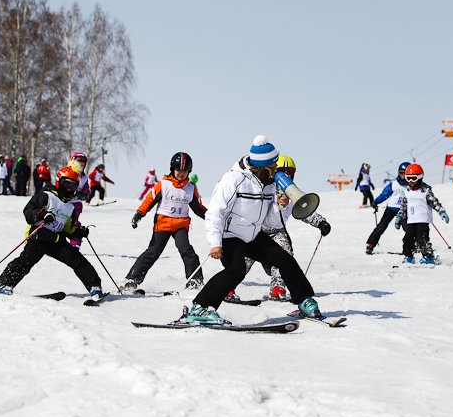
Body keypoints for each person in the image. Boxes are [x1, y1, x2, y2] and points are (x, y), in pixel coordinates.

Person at [180, 136, 323, 325]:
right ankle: (200, 307)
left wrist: (280, 205)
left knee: (284, 259)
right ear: (263, 167)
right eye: (274, 166)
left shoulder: (269, 184)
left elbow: (271, 220)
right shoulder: (234, 179)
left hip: (253, 234)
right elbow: (215, 211)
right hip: (230, 235)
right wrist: (215, 243)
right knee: (236, 270)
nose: (276, 170)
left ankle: (304, 300)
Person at [0, 166, 102, 299]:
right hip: (39, 236)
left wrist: (78, 232)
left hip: (56, 240)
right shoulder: (46, 196)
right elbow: (28, 211)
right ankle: (3, 285)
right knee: (25, 261)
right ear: (59, 182)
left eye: (73, 186)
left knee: (77, 259)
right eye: (67, 184)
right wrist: (42, 214)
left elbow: (68, 228)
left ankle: (94, 287)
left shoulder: (70, 207)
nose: (69, 189)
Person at [240, 154, 331, 301]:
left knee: (285, 254)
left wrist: (321, 222)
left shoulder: (291, 193)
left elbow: (305, 210)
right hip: (257, 231)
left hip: (277, 232)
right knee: (245, 259)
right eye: (283, 171)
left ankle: (277, 288)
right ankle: (228, 288)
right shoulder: (264, 188)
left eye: (290, 172)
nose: (287, 175)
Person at [123, 152, 207, 292]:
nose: (181, 173)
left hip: (181, 225)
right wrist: (139, 214)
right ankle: (132, 279)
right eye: (178, 170)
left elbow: (198, 208)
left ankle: (195, 281)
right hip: (163, 224)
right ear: (172, 169)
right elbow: (149, 201)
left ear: (189, 171)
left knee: (186, 250)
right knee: (153, 252)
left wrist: (211, 217)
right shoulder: (163, 185)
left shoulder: (191, 188)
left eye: (184, 171)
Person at [395, 163, 449, 264]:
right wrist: (399, 217)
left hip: (423, 219)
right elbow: (403, 206)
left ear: (420, 177)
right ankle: (409, 256)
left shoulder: (425, 190)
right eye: (408, 178)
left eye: (413, 178)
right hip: (411, 220)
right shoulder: (407, 191)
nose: (410, 181)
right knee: (407, 239)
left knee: (422, 239)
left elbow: (434, 202)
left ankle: (428, 256)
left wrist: (441, 211)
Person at [365, 161, 410, 254]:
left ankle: (415, 245)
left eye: (405, 173)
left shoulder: (412, 185)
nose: (402, 175)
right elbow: (384, 194)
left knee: (408, 228)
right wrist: (376, 201)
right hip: (391, 208)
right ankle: (371, 244)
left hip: (404, 209)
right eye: (400, 173)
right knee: (381, 226)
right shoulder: (394, 184)